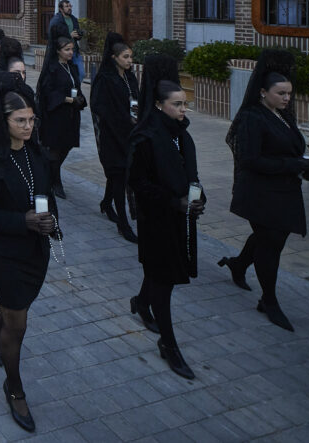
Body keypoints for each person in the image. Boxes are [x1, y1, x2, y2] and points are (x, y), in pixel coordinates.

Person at [0, 85, 58, 433]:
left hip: (36, 252)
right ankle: (15, 388)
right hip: (5, 255)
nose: (28, 126)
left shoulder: (36, 154)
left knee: (15, 310)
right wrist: (23, 221)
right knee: (18, 326)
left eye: (31, 120)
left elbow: (46, 195)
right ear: (3, 121)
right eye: (20, 120)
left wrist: (52, 222)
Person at [222, 50, 309, 332]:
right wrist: (294, 164)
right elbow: (251, 160)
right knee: (270, 244)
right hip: (259, 191)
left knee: (270, 237)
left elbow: (290, 148)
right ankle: (269, 300)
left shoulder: (283, 116)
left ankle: (239, 264)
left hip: (283, 189)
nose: (287, 99)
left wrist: (304, 167)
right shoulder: (252, 117)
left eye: (289, 93)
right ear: (263, 92)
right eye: (281, 93)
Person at [128, 70, 205, 380]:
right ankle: (169, 345)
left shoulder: (181, 134)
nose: (183, 110)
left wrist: (198, 197)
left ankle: (141, 302)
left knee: (163, 272)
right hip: (156, 219)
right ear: (159, 105)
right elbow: (139, 183)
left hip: (180, 218)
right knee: (164, 279)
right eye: (177, 104)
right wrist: (174, 202)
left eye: (185, 104)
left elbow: (191, 174)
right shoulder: (146, 137)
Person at [90, 32, 139, 243]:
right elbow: (99, 107)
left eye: (131, 57)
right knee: (118, 174)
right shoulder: (105, 78)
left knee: (120, 174)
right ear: (114, 57)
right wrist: (123, 118)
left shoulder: (129, 76)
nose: (130, 61)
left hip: (130, 133)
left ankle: (106, 202)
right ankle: (123, 223)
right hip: (112, 134)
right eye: (125, 57)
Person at [37, 36, 84, 199]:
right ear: (58, 51)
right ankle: (56, 182)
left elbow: (76, 87)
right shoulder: (52, 69)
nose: (70, 52)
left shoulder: (72, 67)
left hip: (71, 115)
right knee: (55, 148)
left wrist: (80, 99)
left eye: (72, 49)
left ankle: (50, 173)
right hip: (56, 115)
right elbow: (48, 92)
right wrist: (68, 99)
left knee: (67, 145)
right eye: (67, 49)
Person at [47, 0, 85, 82]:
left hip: (74, 50)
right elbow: (54, 36)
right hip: (63, 52)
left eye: (70, 6)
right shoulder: (56, 21)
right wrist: (69, 35)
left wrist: (79, 35)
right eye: (67, 6)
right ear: (61, 9)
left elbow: (76, 35)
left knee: (81, 73)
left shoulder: (73, 19)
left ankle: (75, 87)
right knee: (64, 74)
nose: (69, 8)